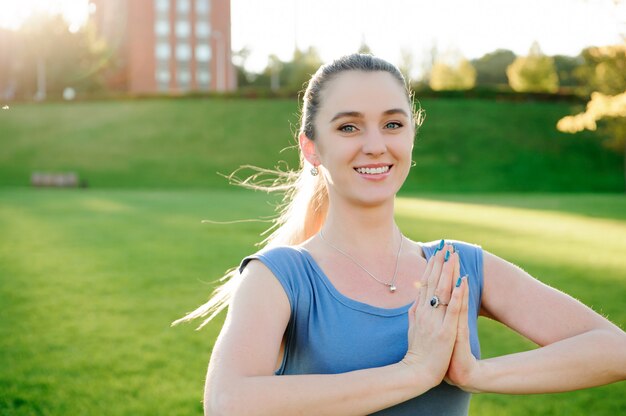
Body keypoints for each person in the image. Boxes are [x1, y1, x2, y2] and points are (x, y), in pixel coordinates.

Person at [174, 54, 626, 415]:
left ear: (411, 135)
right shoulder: (280, 277)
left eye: (393, 124)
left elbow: (614, 350)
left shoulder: (457, 267)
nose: (375, 144)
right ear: (311, 147)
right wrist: (413, 373)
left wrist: (472, 373)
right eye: (349, 126)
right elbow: (227, 402)